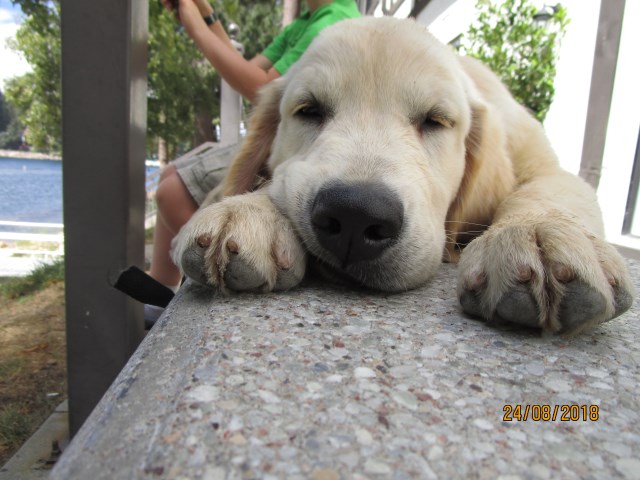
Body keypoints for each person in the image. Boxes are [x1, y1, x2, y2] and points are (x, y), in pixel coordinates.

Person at [146, 0, 361, 321]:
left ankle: (219, 282)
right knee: (169, 175)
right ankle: (160, 294)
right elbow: (249, 66)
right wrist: (208, 16)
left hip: (300, 140)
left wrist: (195, 28)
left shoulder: (334, 20)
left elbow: (259, 87)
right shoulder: (306, 21)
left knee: (172, 190)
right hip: (289, 131)